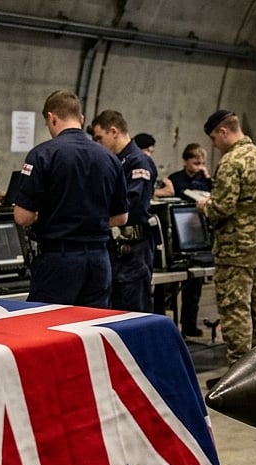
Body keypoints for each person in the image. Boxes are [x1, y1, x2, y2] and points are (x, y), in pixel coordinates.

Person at [12, 91, 127, 307]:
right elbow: (121, 217)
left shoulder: (42, 155)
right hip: (99, 261)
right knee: (92, 323)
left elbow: (22, 217)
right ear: (81, 119)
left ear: (51, 118)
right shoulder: (110, 158)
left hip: (59, 259)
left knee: (49, 322)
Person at [196, 110, 256, 366]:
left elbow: (223, 207)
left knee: (235, 310)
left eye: (213, 138)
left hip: (235, 251)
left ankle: (239, 369)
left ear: (223, 131)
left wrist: (206, 206)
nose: (214, 145)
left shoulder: (231, 162)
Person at [90, 110, 157, 313]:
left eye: (99, 138)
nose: (97, 143)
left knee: (132, 312)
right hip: (115, 250)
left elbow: (133, 204)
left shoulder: (138, 162)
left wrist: (95, 216)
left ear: (114, 131)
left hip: (132, 251)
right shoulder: (116, 162)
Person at [162, 143, 215, 336]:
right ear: (186, 161)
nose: (199, 167)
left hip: (198, 233)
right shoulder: (176, 180)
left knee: (195, 285)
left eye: (202, 163)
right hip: (178, 233)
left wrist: (207, 178)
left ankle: (189, 323)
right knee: (170, 286)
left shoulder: (205, 180)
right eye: (195, 163)